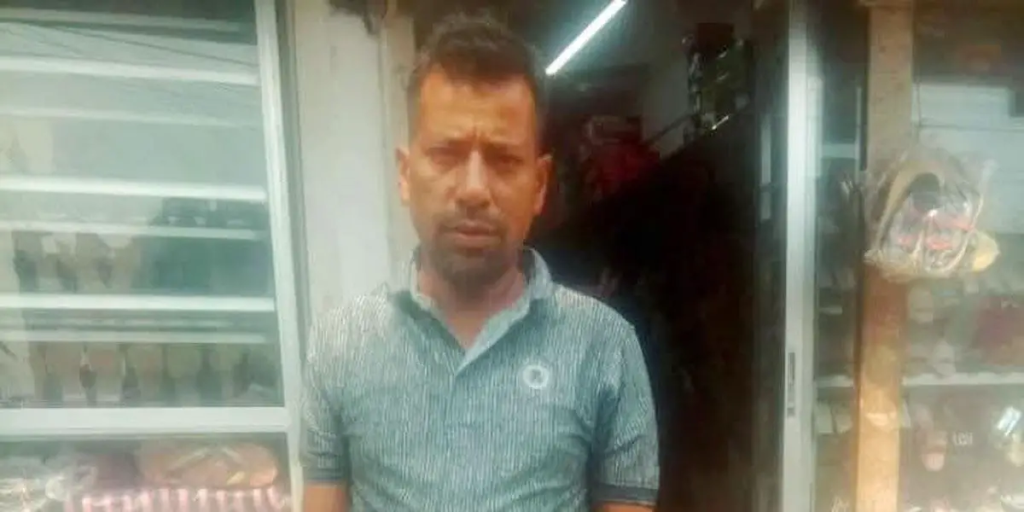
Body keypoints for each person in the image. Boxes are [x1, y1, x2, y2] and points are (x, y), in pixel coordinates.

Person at [301, 13, 659, 512]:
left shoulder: (604, 347)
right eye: (447, 154)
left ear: (539, 184)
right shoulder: (340, 347)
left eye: (503, 160)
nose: (473, 189)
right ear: (405, 174)